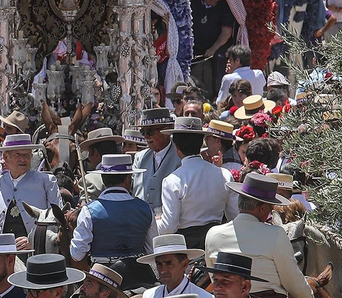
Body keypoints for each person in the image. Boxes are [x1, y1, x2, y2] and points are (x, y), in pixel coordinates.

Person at [69, 153, 153, 287]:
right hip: (140, 276)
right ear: (127, 180)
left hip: (103, 278)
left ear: (103, 179)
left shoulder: (89, 211)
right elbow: (152, 249)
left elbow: (77, 254)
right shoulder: (145, 208)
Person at [156, 117, 232, 248]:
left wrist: (157, 222)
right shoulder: (225, 175)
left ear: (176, 147)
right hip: (217, 243)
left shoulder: (172, 181)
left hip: (187, 248)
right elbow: (233, 215)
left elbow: (168, 227)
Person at [0, 133, 60, 245]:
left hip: (34, 250)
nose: (22, 159)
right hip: (1, 250)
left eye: (26, 155)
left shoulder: (47, 181)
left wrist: (33, 239)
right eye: (17, 155)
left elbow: (56, 217)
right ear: (5, 157)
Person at [189, 0, 236, 98]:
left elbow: (226, 32)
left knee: (219, 58)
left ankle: (218, 93)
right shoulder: (194, 7)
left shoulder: (223, 8)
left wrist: (213, 49)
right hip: (199, 45)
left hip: (218, 45)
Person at [131, 107, 179, 212]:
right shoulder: (140, 158)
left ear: (166, 131)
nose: (146, 137)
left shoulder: (179, 157)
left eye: (150, 131)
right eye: (143, 132)